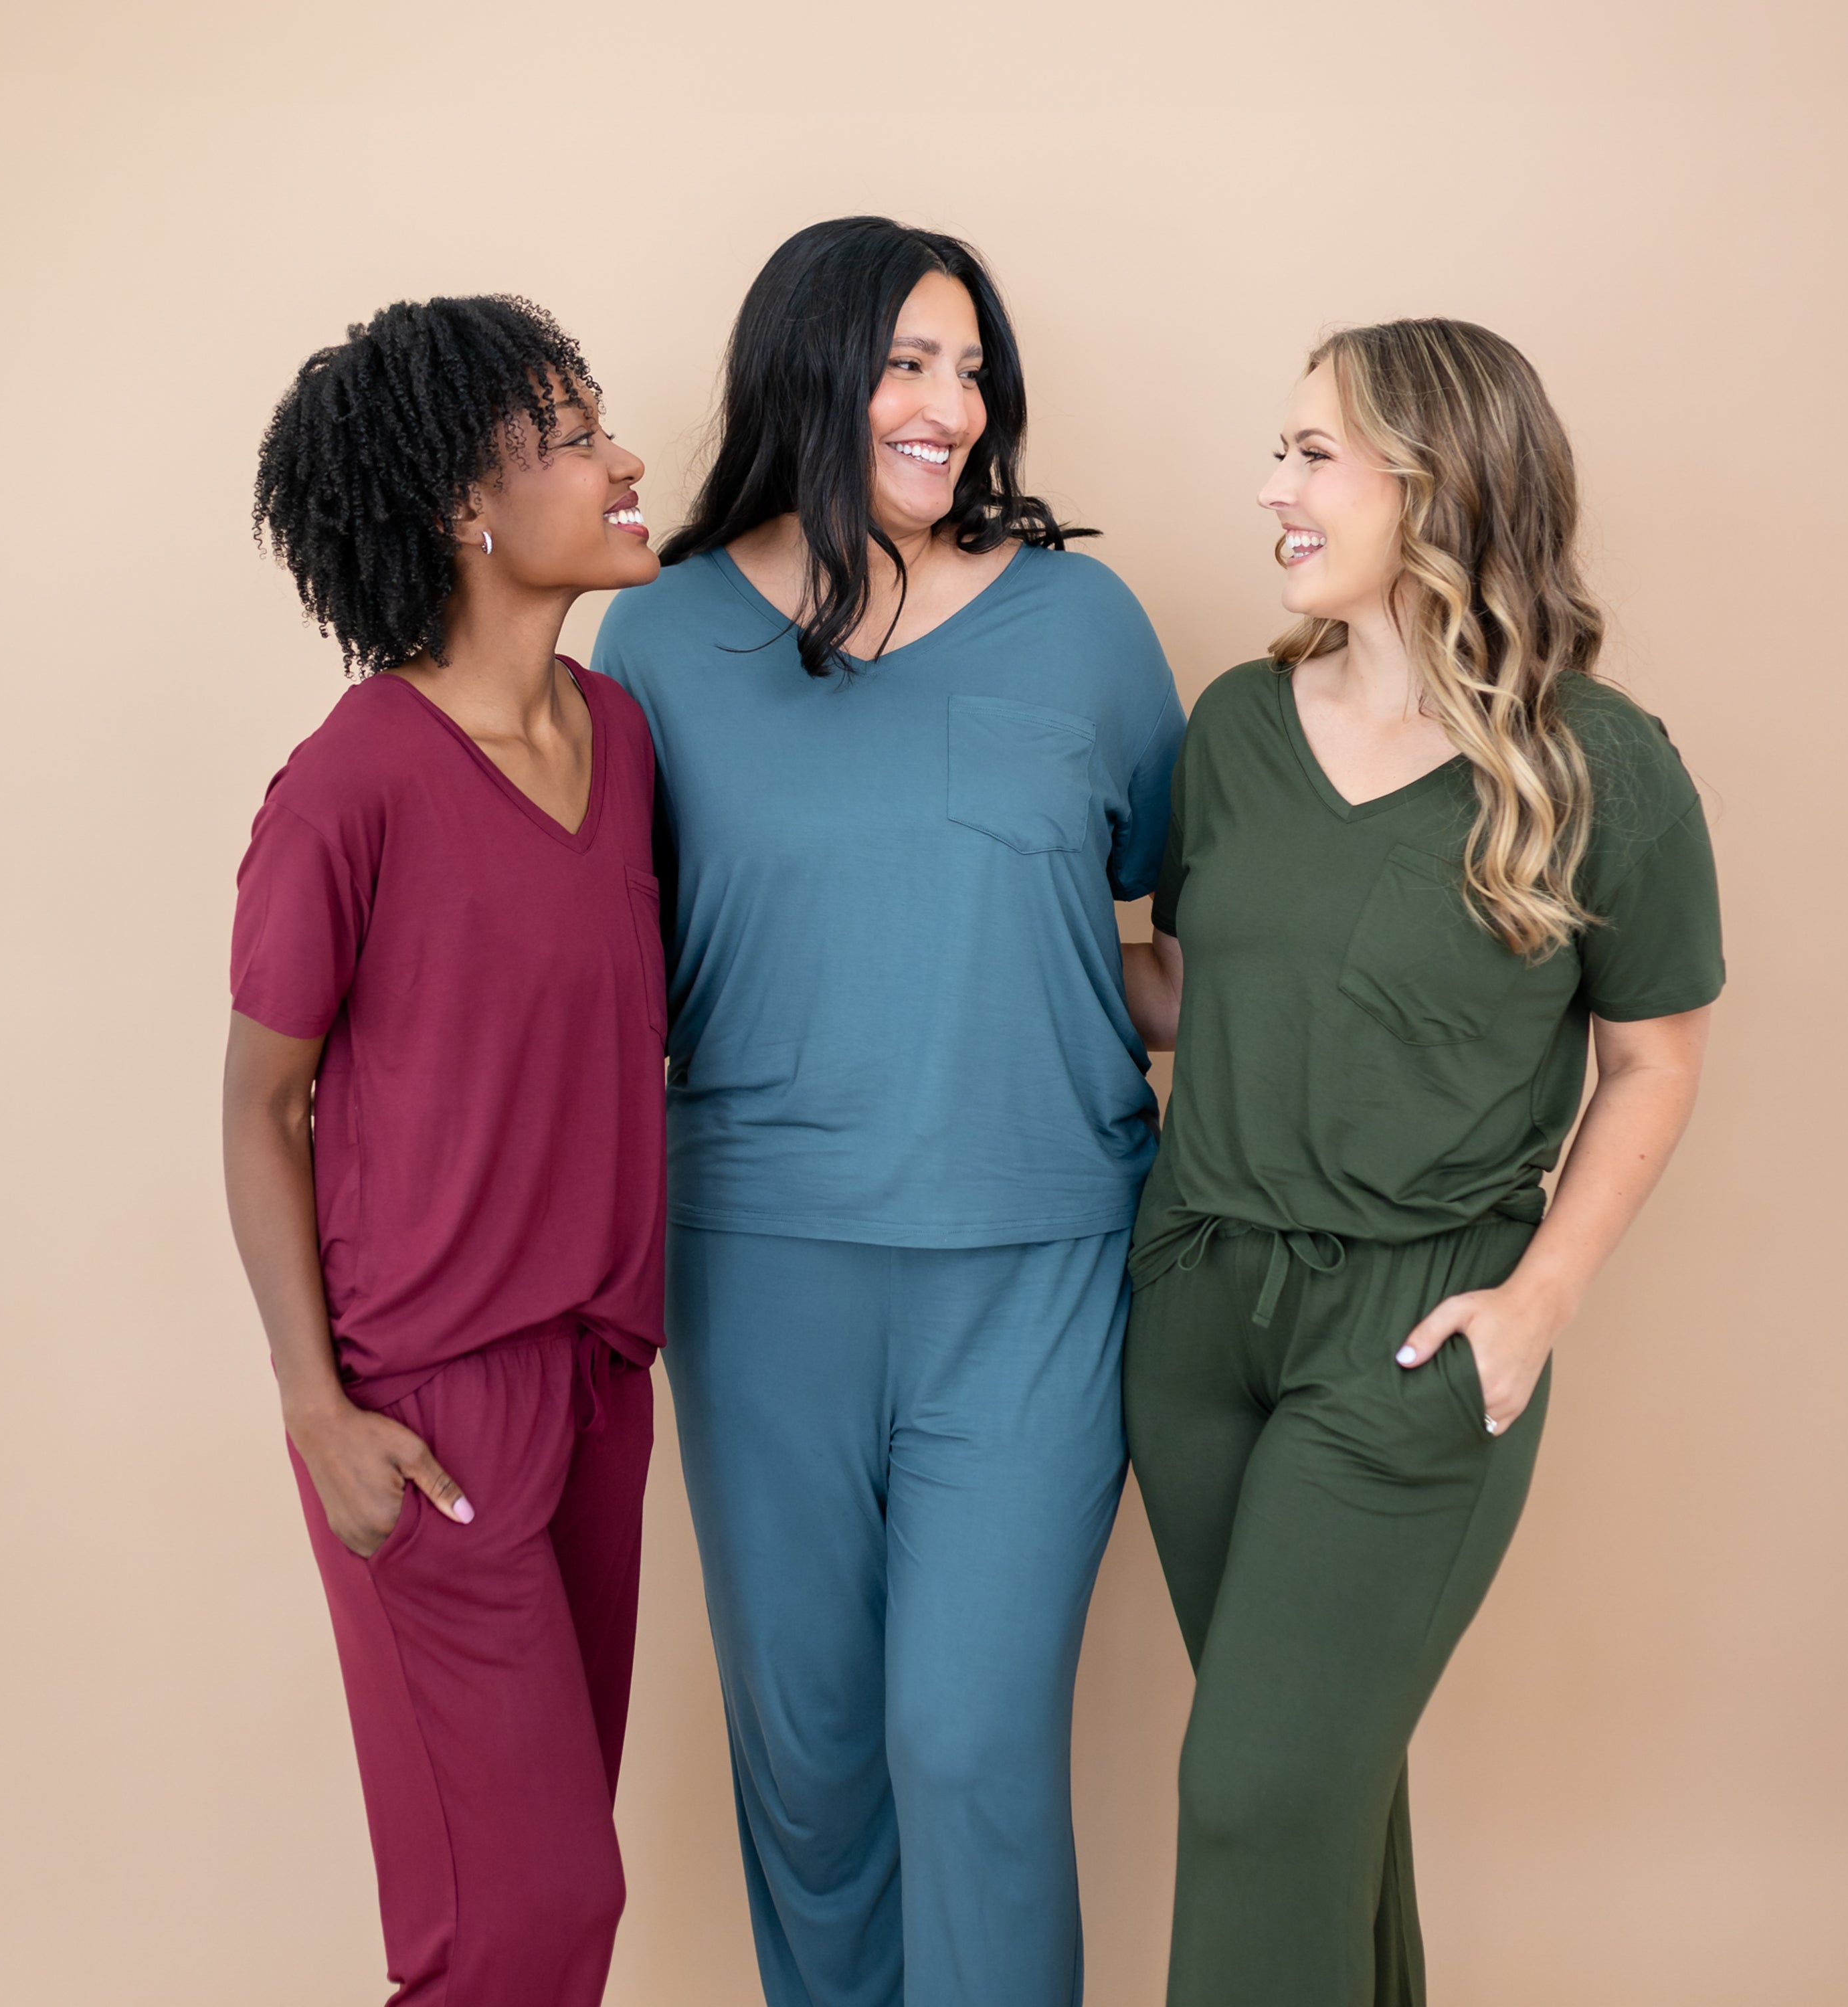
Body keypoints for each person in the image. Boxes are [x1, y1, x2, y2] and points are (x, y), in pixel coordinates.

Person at [592, 216, 1184, 2007]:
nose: (951, 403)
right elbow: (601, 969)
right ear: (811, 371)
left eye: (972, 367)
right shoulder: (662, 638)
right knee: (817, 1764)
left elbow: (1181, 947)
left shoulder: (1085, 626)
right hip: (758, 1272)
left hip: (1036, 1270)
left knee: (969, 1743)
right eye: (909, 362)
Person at [1121, 318, 1724, 2006]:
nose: (1272, 492)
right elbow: (1194, 989)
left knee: (1252, 1801)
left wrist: (1536, 1304)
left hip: (1410, 1340)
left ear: (1435, 481)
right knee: (1318, 1803)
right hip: (1188, 1319)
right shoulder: (1236, 726)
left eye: (1313, 456)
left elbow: (1655, 1058)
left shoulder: (1601, 764)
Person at [223, 294, 666, 2007]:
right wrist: (315, 1410)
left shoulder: (619, 742)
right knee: (519, 1921)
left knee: (556, 1912)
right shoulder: (352, 785)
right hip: (427, 1416)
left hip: (600, 1384)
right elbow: (262, 1104)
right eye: (570, 438)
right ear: (459, 509)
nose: (625, 460)